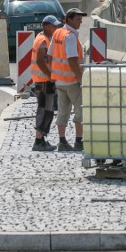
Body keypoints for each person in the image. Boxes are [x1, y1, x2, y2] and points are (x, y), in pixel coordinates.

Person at [50, 8, 88, 152]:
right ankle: (79, 141)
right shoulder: (70, 36)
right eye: (78, 19)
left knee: (63, 111)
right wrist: (81, 80)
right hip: (72, 81)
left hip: (59, 81)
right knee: (80, 111)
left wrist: (52, 76)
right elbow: (72, 60)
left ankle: (62, 142)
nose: (81, 21)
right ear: (69, 19)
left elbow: (50, 55)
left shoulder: (57, 33)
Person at [30, 15, 61, 152]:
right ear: (46, 26)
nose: (56, 28)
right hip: (43, 82)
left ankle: (42, 139)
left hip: (44, 81)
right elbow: (40, 62)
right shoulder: (42, 40)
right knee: (43, 110)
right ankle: (38, 141)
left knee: (48, 110)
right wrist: (51, 77)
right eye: (54, 26)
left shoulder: (44, 38)